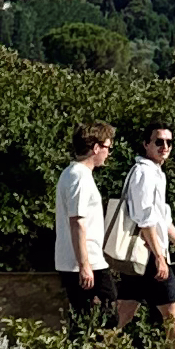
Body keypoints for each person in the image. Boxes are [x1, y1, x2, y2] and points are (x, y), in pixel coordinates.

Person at [114, 120, 175, 349]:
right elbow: (145, 220)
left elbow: (163, 221)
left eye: (168, 142)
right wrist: (160, 257)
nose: (165, 146)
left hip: (146, 254)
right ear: (146, 144)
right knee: (174, 312)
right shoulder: (144, 172)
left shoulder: (155, 173)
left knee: (124, 311)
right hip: (149, 254)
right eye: (159, 142)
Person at [53, 123, 119, 327]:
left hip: (80, 260)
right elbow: (77, 222)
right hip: (84, 261)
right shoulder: (79, 177)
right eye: (108, 148)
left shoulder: (73, 174)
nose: (108, 153)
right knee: (106, 313)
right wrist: (84, 265)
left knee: (86, 316)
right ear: (96, 147)